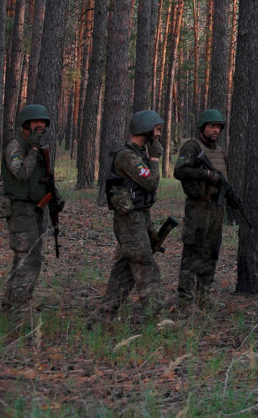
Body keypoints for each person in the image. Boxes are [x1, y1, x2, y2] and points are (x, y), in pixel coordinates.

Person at [98, 110, 165, 322]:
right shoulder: (128, 156)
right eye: (156, 129)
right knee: (145, 265)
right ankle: (156, 316)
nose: (159, 134)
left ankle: (104, 316)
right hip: (129, 221)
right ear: (146, 129)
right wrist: (155, 158)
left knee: (125, 270)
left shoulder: (137, 154)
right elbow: (151, 181)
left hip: (138, 218)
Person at [0, 104, 61, 313]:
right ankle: (19, 306)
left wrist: (55, 197)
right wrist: (33, 150)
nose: (41, 125)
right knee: (30, 258)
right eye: (37, 122)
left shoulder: (40, 148)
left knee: (24, 258)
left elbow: (45, 178)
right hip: (19, 209)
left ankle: (11, 303)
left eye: (43, 122)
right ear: (26, 124)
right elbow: (22, 174)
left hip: (36, 209)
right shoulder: (15, 147)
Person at [173, 109, 229, 312]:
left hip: (216, 207)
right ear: (202, 127)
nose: (215, 130)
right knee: (193, 252)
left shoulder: (220, 151)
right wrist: (205, 174)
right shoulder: (192, 147)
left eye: (218, 127)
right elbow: (179, 171)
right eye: (212, 126)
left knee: (211, 253)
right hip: (198, 207)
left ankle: (203, 295)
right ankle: (186, 301)